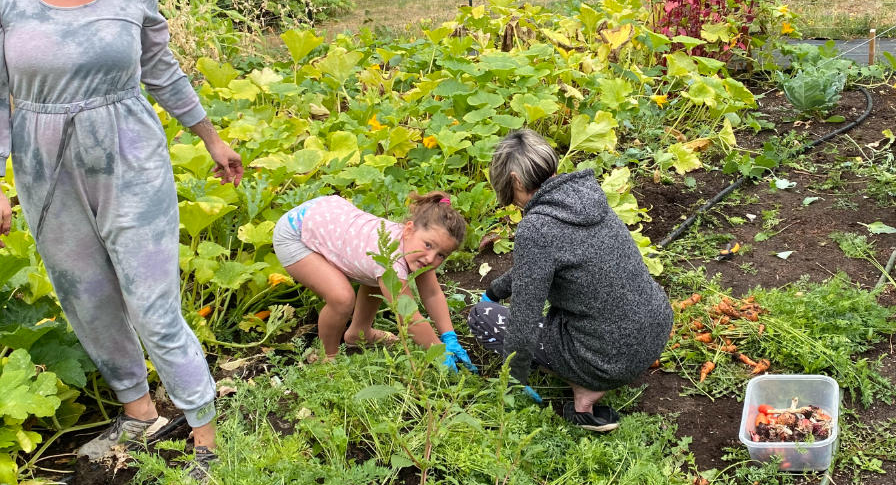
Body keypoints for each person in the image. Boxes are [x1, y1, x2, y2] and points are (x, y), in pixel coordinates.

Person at [0, 0, 242, 475]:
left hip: (128, 154)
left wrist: (209, 135)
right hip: (42, 162)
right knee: (85, 294)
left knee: (152, 300)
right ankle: (140, 414)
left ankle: (205, 436)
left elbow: (160, 70)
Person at [468, 129, 672, 431]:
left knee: (482, 318)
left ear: (515, 181)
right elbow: (536, 269)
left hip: (608, 357)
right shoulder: (587, 195)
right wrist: (496, 290)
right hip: (654, 332)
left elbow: (523, 323)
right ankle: (597, 373)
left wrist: (512, 384)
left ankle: (586, 389)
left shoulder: (537, 228)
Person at [272, 192, 475, 370]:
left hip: (327, 217)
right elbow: (409, 318)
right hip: (295, 232)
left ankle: (359, 333)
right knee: (341, 298)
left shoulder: (416, 248)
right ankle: (327, 357)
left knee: (375, 275)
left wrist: (449, 337)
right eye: (429, 245)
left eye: (442, 255)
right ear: (408, 230)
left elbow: (432, 293)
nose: (431, 258)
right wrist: (439, 355)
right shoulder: (391, 261)